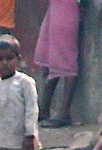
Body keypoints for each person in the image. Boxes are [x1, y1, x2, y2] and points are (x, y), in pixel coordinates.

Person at [35, 0, 81, 128]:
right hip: (55, 6)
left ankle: (64, 113)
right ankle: (44, 109)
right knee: (47, 56)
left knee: (66, 58)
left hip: (67, 6)